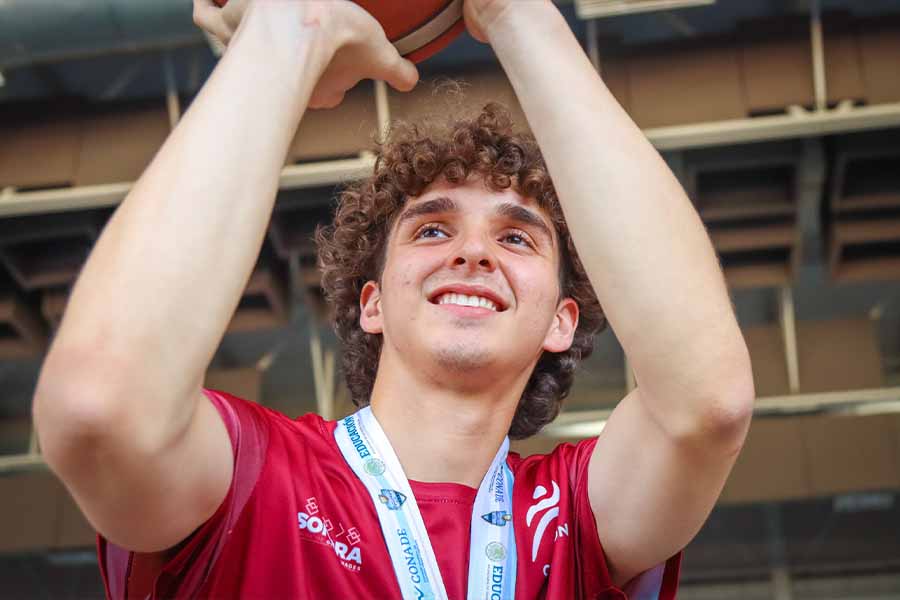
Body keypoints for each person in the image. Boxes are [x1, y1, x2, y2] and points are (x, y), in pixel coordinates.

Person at [32, 0, 755, 598]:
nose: (472, 252)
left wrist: (518, 14)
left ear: (561, 322)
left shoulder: (571, 520)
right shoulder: (258, 480)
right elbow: (101, 407)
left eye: (517, 240)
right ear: (372, 303)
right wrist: (287, 34)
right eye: (433, 228)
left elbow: (707, 404)